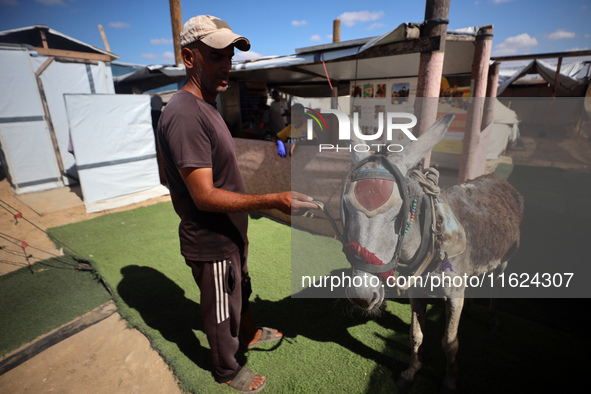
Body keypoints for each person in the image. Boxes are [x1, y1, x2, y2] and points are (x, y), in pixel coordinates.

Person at [156, 15, 317, 393]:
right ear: (188, 58)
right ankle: (226, 369)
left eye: (229, 56)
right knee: (220, 309)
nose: (227, 65)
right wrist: (271, 200)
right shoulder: (183, 113)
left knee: (238, 290)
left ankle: (248, 334)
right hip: (210, 239)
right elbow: (204, 195)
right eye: (216, 56)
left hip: (230, 232)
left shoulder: (207, 105)